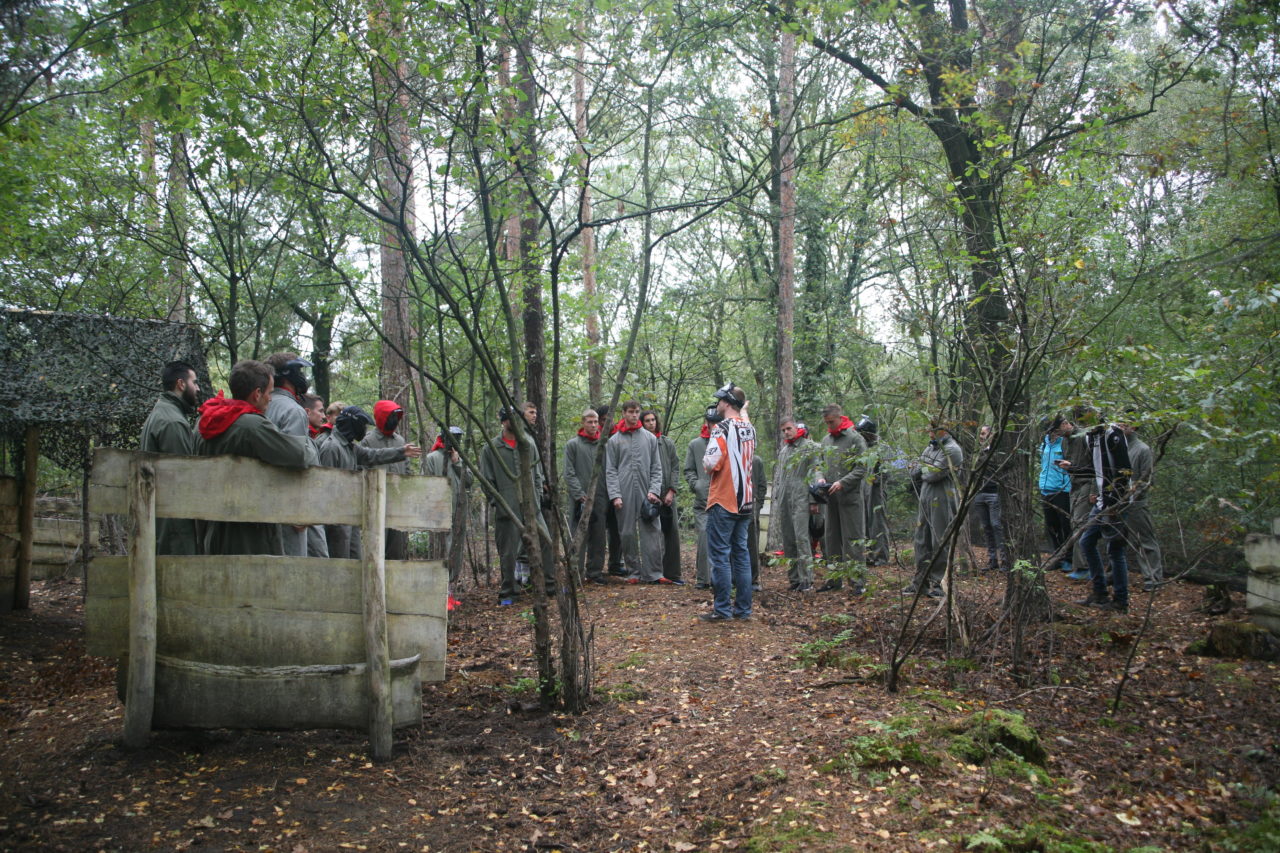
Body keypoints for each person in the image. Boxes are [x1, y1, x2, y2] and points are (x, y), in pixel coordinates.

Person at [194, 360, 312, 555]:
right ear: (257, 394)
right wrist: (309, 445)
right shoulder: (251, 426)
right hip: (249, 530)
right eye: (269, 392)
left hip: (213, 526)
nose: (271, 398)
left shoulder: (204, 421)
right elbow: (299, 454)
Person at [316, 405, 421, 559]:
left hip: (349, 517)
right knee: (339, 562)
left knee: (356, 560)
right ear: (353, 425)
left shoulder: (350, 447)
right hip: (336, 520)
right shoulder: (332, 447)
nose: (364, 430)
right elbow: (324, 488)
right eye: (362, 426)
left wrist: (401, 452)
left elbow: (372, 455)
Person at [480, 407, 553, 604]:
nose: (516, 421)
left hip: (532, 507)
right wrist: (498, 503)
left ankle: (550, 584)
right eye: (511, 418)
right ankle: (509, 592)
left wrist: (537, 497)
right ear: (504, 422)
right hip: (507, 509)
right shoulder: (491, 448)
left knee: (546, 542)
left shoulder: (528, 443)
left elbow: (537, 474)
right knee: (508, 552)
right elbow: (487, 481)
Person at [700, 383, 756, 621]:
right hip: (746, 501)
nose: (718, 404)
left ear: (728, 403)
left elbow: (711, 463)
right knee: (741, 555)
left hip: (724, 499)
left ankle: (722, 609)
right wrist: (744, 409)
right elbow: (743, 418)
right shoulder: (750, 428)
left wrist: (707, 461)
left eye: (721, 400)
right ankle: (743, 610)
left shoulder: (721, 428)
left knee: (721, 556)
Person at [139, 360, 201, 555]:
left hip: (163, 519)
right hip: (175, 524)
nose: (198, 388)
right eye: (194, 382)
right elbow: (183, 479)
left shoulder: (163, 412)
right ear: (181, 384)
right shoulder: (173, 422)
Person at [264, 352, 320, 557]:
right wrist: (299, 508)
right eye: (298, 371)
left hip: (261, 503)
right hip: (289, 508)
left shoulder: (261, 404)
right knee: (293, 567)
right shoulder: (293, 410)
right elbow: (295, 462)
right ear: (287, 375)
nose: (302, 376)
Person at [605, 400, 665, 584]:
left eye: (637, 411)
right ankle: (633, 572)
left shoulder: (650, 438)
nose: (634, 415)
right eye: (630, 411)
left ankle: (654, 573)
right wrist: (615, 495)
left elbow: (657, 467)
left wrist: (654, 490)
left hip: (647, 490)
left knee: (652, 530)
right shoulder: (614, 440)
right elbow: (610, 470)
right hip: (624, 490)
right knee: (627, 532)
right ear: (623, 413)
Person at [1076, 421, 1133, 612]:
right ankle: (1100, 593)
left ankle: (1121, 601)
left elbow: (1125, 471)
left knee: (1115, 550)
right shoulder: (1089, 437)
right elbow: (1096, 469)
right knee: (1086, 542)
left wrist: (1115, 503)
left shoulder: (1113, 434)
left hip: (1116, 503)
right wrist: (1071, 468)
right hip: (1102, 502)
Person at [904, 422, 964, 598]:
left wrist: (922, 469)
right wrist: (923, 469)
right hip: (926, 495)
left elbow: (933, 473)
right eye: (929, 430)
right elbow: (917, 469)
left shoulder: (953, 449)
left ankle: (938, 584)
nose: (930, 433)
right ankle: (919, 583)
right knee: (921, 539)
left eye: (933, 430)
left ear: (944, 430)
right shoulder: (930, 448)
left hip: (943, 497)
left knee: (939, 540)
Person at [816, 404, 868, 593]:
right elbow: (819, 463)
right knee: (831, 538)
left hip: (850, 497)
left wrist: (843, 482)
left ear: (840, 418)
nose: (829, 426)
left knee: (853, 539)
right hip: (830, 499)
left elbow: (862, 467)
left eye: (831, 422)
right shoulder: (825, 440)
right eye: (826, 423)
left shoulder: (855, 439)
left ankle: (857, 582)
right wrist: (820, 477)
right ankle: (834, 579)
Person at [361, 400, 413, 560]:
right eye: (391, 416)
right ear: (382, 417)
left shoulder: (400, 441)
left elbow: (407, 470)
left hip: (397, 504)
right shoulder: (368, 441)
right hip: (375, 503)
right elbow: (362, 471)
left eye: (397, 416)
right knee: (376, 548)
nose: (395, 420)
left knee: (396, 550)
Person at [1118, 414, 1163, 592]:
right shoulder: (1118, 447)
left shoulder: (1143, 449)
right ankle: (1116, 574)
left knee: (1145, 541)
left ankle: (1153, 579)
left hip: (1136, 503)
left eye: (1124, 425)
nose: (1120, 427)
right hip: (1117, 502)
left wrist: (1133, 495)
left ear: (1133, 427)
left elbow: (1147, 478)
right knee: (1116, 540)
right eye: (1119, 424)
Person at [774, 417, 821, 591]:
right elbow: (779, 477)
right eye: (783, 430)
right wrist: (778, 497)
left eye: (788, 429)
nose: (786, 432)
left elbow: (816, 474)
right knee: (788, 540)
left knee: (802, 539)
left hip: (801, 499)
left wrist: (813, 500)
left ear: (796, 428)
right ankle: (794, 579)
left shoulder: (810, 448)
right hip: (785, 500)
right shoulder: (784, 451)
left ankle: (806, 579)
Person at [564, 409, 610, 585]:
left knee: (599, 536)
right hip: (579, 499)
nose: (593, 425)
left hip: (600, 497)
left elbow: (610, 471)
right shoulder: (573, 445)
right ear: (583, 422)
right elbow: (568, 473)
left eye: (595, 422)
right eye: (589, 422)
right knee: (577, 536)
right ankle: (575, 574)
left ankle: (595, 572)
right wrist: (579, 494)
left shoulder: (604, 444)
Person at [424, 426, 472, 584]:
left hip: (460, 509)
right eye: (453, 437)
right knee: (445, 547)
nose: (455, 441)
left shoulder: (460, 458)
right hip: (441, 512)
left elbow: (470, 481)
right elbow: (427, 486)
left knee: (457, 546)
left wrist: (457, 463)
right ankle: (442, 583)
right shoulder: (432, 458)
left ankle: (453, 582)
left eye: (458, 438)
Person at [643, 409, 685, 584]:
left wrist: (671, 491)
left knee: (671, 533)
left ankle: (673, 573)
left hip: (667, 495)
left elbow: (675, 467)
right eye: (647, 421)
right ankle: (652, 573)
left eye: (653, 420)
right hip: (648, 495)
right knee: (651, 534)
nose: (651, 423)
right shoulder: (641, 443)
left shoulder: (666, 443)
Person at [1061, 405, 1101, 581]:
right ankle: (1081, 566)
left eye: (1058, 428)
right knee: (1074, 523)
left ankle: (1085, 567)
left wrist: (1094, 490)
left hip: (1088, 484)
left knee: (1080, 524)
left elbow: (1096, 466)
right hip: (1074, 485)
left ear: (1066, 423)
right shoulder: (1064, 441)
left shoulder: (1085, 436)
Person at [683, 411, 716, 589]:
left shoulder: (727, 442)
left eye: (716, 422)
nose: (713, 425)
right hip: (702, 500)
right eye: (710, 422)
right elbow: (688, 470)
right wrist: (697, 485)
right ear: (706, 422)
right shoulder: (695, 444)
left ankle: (721, 579)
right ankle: (704, 579)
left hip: (723, 500)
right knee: (704, 535)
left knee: (722, 539)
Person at [1038, 415, 1073, 573]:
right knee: (1052, 526)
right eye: (1064, 423)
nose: (1068, 425)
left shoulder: (1066, 443)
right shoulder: (1045, 443)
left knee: (1065, 526)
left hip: (1062, 489)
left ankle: (1068, 559)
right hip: (1046, 489)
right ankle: (1057, 556)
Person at [856, 415, 891, 566]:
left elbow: (886, 471)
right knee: (864, 522)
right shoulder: (862, 447)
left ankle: (881, 557)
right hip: (863, 488)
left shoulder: (882, 448)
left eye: (862, 433)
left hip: (876, 489)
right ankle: (869, 555)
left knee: (877, 523)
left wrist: (875, 480)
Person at [973, 425, 1009, 572]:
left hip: (994, 493)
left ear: (991, 435)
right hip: (980, 494)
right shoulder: (978, 454)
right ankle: (992, 560)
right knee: (986, 527)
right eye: (980, 434)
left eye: (983, 433)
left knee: (996, 526)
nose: (981, 436)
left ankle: (1005, 560)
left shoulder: (997, 453)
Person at [300, 394, 331, 558]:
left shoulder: (314, 438)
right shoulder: (304, 438)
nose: (324, 416)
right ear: (307, 412)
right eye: (320, 411)